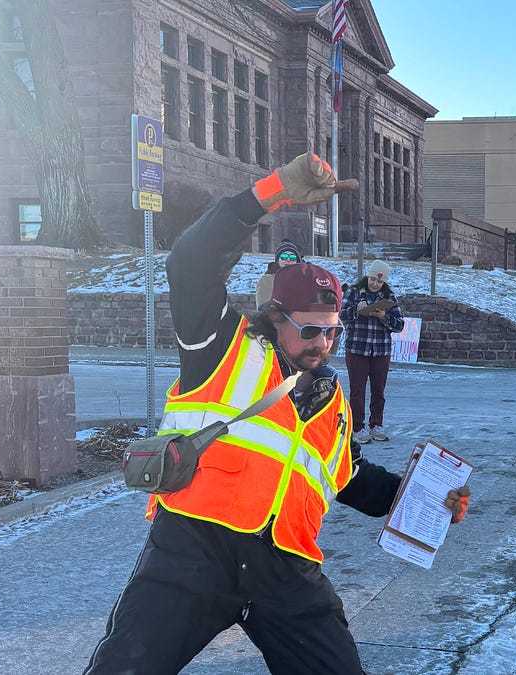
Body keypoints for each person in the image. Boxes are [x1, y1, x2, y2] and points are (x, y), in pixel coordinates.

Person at [85, 153, 471, 675]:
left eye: (331, 329)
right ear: (275, 317)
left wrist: (423, 496)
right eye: (309, 329)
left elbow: (345, 478)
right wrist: (266, 194)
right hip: (193, 554)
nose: (323, 342)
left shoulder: (334, 402)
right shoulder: (220, 347)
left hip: (286, 568)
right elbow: (190, 261)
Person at [339, 259, 405, 444]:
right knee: (357, 391)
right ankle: (357, 428)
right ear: (367, 276)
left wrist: (385, 317)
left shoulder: (389, 298)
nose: (375, 284)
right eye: (373, 279)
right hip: (357, 349)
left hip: (380, 350)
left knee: (379, 391)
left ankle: (376, 425)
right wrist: (356, 310)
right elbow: (341, 316)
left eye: (379, 281)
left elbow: (400, 325)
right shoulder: (353, 292)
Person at [255, 238, 304, 310]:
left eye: (292, 257)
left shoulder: (303, 280)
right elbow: (263, 308)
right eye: (283, 257)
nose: (288, 259)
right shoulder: (268, 279)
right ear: (278, 260)